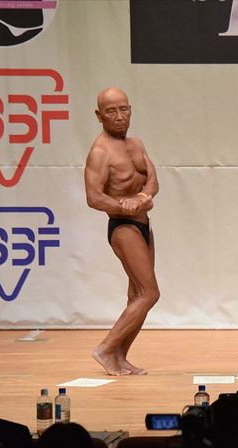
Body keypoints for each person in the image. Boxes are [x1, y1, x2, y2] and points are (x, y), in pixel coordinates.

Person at [84, 87, 160, 376]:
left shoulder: (136, 144)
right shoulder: (100, 152)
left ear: (130, 110)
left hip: (143, 224)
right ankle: (105, 348)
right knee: (149, 293)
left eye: (123, 109)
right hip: (123, 227)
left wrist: (141, 198)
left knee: (136, 296)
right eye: (111, 111)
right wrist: (122, 206)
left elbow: (152, 181)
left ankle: (119, 356)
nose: (119, 116)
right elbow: (93, 197)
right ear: (99, 115)